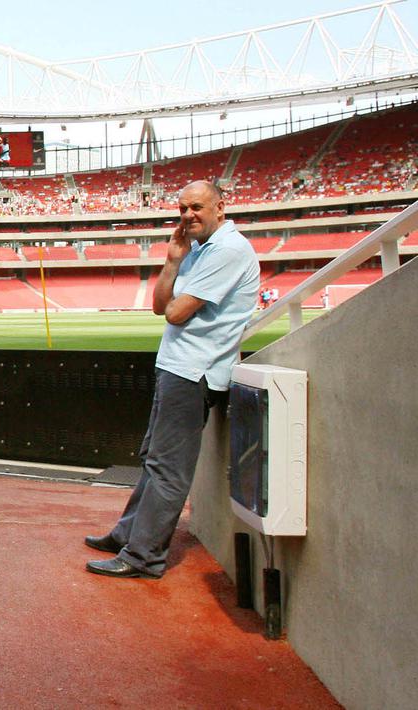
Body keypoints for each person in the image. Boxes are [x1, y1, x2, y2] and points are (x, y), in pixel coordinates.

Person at [84, 180, 260, 579]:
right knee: (153, 459)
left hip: (194, 370)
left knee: (169, 469)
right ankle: (126, 534)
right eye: (182, 208)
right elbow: (160, 305)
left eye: (196, 207)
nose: (187, 215)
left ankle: (144, 556)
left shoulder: (229, 250)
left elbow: (176, 314)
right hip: (177, 366)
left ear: (220, 207)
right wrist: (172, 260)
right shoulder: (197, 251)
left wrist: (178, 287)